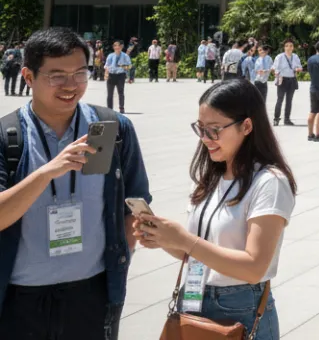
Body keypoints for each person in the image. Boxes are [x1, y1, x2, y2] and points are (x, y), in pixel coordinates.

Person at [0, 27, 152, 339]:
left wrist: (123, 249)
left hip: (91, 293)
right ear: (28, 77)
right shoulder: (8, 136)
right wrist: (46, 173)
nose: (71, 85)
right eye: (56, 76)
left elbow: (134, 200)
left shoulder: (109, 128)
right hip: (20, 297)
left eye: (80, 73)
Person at [133, 77, 296, 340]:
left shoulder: (270, 182)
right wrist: (164, 239)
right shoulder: (211, 176)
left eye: (215, 129)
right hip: (194, 298)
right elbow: (198, 252)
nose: (206, 138)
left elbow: (254, 267)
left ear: (246, 126)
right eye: (201, 128)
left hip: (239, 306)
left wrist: (184, 239)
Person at [271, 40, 302, 127]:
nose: (289, 47)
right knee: (280, 100)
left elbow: (300, 67)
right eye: (287, 46)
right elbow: (274, 68)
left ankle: (287, 119)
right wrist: (276, 73)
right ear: (284, 47)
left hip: (292, 79)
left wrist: (298, 69)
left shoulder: (295, 56)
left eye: (291, 46)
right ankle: (276, 119)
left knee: (289, 101)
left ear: (293, 47)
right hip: (282, 79)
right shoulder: (280, 57)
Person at [103, 40, 131, 113]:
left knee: (120, 92)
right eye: (115, 46)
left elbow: (129, 66)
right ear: (114, 47)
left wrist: (122, 66)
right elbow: (106, 66)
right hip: (111, 75)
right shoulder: (110, 55)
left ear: (121, 47)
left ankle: (121, 108)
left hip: (120, 75)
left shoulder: (125, 56)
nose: (117, 48)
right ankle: (109, 109)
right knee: (110, 94)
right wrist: (106, 74)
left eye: (119, 46)